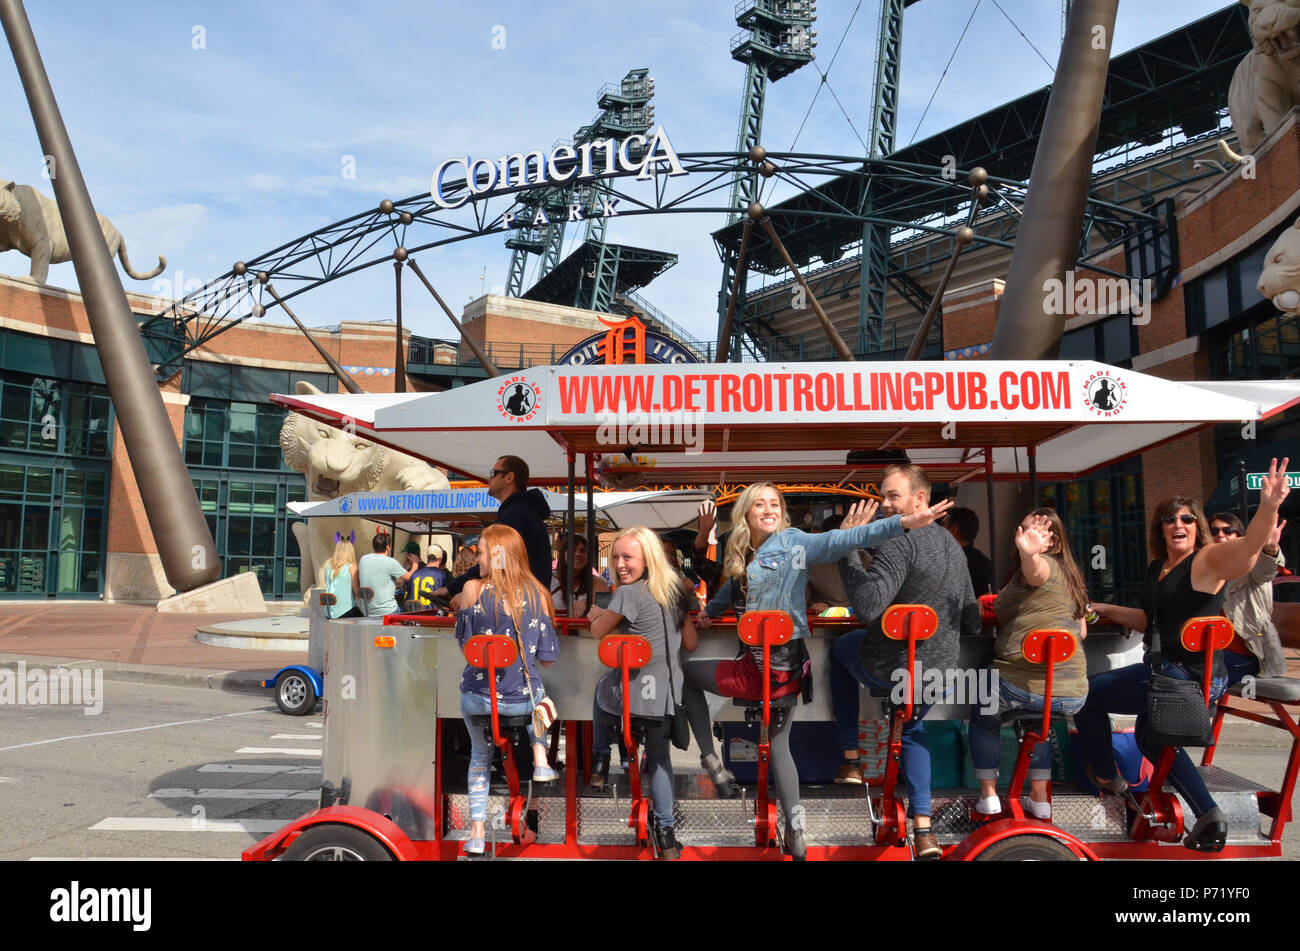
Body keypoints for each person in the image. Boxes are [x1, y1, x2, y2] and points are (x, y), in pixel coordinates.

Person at [686, 480, 952, 860]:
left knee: (684, 676)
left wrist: (904, 522)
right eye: (760, 504)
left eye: (774, 503)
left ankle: (712, 762)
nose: (769, 509)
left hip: (759, 674)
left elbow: (841, 542)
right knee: (780, 749)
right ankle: (796, 832)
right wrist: (710, 614)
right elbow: (733, 585)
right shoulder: (746, 553)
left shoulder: (794, 541)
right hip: (790, 674)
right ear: (746, 513)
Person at [1078, 458, 1290, 853]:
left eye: (1188, 519)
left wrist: (1268, 506)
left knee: (1088, 696)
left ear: (1199, 528)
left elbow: (1245, 554)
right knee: (1148, 736)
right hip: (1163, 671)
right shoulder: (1159, 567)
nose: (1179, 525)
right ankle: (1209, 816)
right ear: (1159, 528)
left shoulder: (1205, 562)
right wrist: (1104, 608)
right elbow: (1149, 620)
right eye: (1170, 520)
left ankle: (1109, 778)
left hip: (1187, 677)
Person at [829, 463, 981, 860]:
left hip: (890, 667)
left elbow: (867, 606)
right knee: (911, 728)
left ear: (919, 499)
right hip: (937, 672)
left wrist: (847, 549)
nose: (883, 503)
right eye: (883, 495)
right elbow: (972, 620)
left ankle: (851, 758)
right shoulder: (951, 544)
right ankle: (924, 829)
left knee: (839, 649)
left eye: (892, 495)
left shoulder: (900, 541)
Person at [968, 508, 1089, 820]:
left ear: (1051, 541)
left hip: (1024, 684)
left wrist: (1030, 553)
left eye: (1035, 531)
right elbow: (1083, 630)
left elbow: (1035, 569)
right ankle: (1038, 798)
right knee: (1040, 724)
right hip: (1071, 693)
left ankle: (989, 794)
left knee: (982, 706)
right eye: (1022, 529)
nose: (1024, 535)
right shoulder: (1072, 577)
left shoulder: (1040, 566)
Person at [585, 526, 698, 859]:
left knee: (602, 687)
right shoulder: (676, 591)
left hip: (634, 698)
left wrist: (596, 615)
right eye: (616, 557)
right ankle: (665, 834)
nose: (620, 564)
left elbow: (598, 632)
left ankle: (600, 757)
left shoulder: (627, 594)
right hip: (668, 698)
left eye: (627, 557)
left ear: (647, 559)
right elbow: (691, 643)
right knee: (661, 761)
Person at [453, 523, 560, 857]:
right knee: (540, 694)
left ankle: (476, 833)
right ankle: (540, 756)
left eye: (481, 551)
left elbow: (464, 646)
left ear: (498, 553)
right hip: (518, 704)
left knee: (480, 757)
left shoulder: (471, 590)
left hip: (476, 700)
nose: (477, 559)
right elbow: (548, 659)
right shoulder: (539, 594)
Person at [437, 455, 552, 599]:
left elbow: (496, 563)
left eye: (494, 473)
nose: (488, 479)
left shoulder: (516, 514)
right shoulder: (521, 511)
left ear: (509, 477)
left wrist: (462, 592)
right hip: (527, 601)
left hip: (519, 605)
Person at [1210, 511, 1288, 683]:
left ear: (1239, 534)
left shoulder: (1252, 562)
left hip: (1249, 654)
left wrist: (1270, 548)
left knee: (1197, 682)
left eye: (1227, 530)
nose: (1220, 535)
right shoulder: (1209, 568)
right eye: (1214, 531)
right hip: (1212, 652)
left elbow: (1266, 571)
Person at [358, 533, 418, 617]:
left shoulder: (363, 559)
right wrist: (415, 563)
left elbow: (378, 578)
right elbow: (410, 577)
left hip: (369, 612)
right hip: (388, 611)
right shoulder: (391, 562)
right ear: (388, 547)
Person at [552, 533, 609, 615]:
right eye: (572, 549)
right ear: (563, 553)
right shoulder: (550, 579)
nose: (577, 554)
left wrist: (590, 603)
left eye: (582, 551)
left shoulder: (597, 583)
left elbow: (609, 605)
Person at [945, 506, 995, 598]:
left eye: (943, 525)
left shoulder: (950, 561)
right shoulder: (982, 561)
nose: (939, 531)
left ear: (953, 530)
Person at [322, 538, 361, 619]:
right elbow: (356, 592)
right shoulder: (352, 567)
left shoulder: (328, 567)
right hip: (346, 610)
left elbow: (329, 587)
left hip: (329, 612)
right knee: (365, 622)